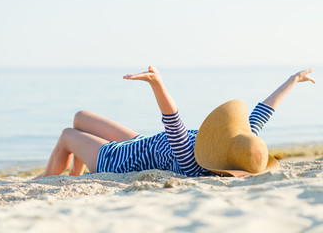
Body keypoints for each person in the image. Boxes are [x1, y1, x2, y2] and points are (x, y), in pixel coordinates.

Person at [33, 66, 315, 179]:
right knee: (80, 116)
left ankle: (49, 181)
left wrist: (157, 83)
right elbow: (263, 112)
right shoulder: (239, 145)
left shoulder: (193, 162)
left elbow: (173, 121)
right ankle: (73, 176)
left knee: (68, 135)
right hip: (140, 142)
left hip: (117, 160)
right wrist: (292, 81)